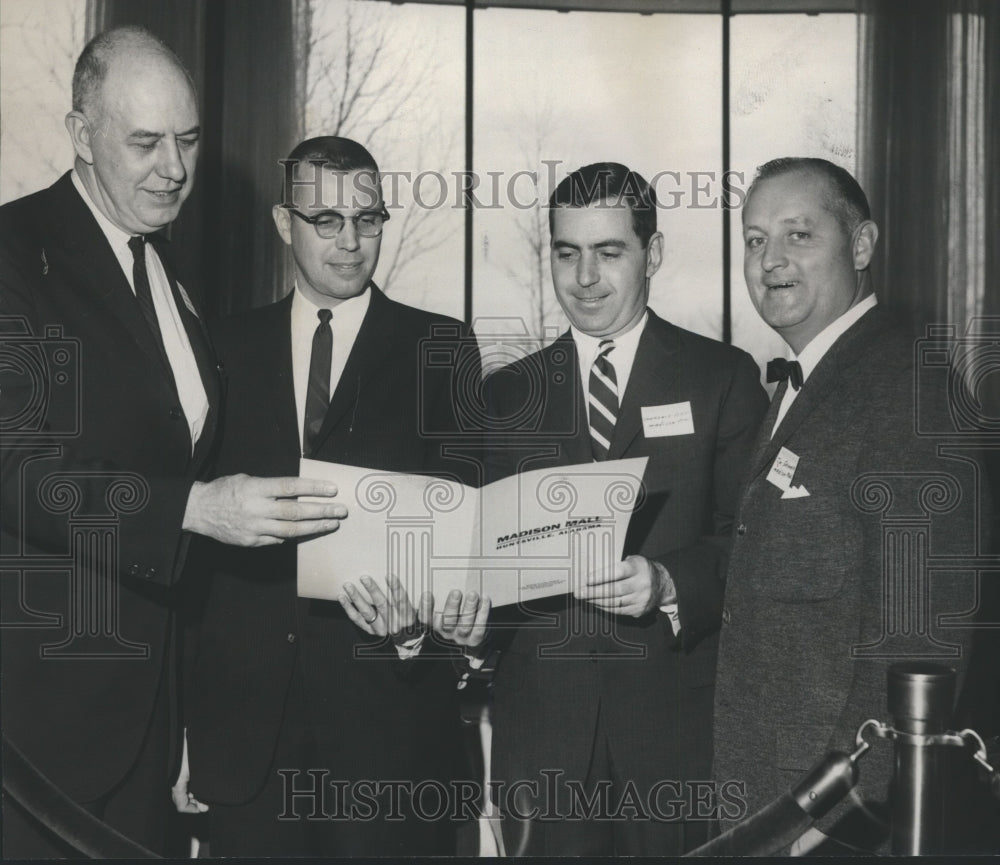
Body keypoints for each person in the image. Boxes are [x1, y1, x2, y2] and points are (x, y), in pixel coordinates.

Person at [0, 26, 346, 858]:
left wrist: (188, 723)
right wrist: (192, 506)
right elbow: (15, 469)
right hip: (40, 727)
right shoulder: (13, 253)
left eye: (188, 140)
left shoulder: (160, 269)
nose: (175, 168)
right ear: (81, 135)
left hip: (146, 724)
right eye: (145, 142)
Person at [183, 135, 487, 857]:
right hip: (245, 742)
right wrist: (187, 735)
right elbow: (193, 561)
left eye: (368, 219)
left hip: (390, 736)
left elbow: (468, 528)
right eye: (326, 221)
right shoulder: (219, 348)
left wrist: (423, 631)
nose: (351, 242)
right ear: (284, 223)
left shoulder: (439, 348)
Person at [482, 162, 768, 856]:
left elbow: (753, 545)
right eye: (566, 251)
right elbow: (478, 562)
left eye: (609, 252)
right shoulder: (503, 397)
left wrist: (670, 582)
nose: (585, 277)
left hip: (674, 735)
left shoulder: (721, 378)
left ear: (653, 253)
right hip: (542, 739)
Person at [712, 157, 983, 854]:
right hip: (768, 797)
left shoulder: (911, 388)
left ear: (861, 247)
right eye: (753, 239)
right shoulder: (807, 382)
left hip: (830, 816)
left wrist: (836, 804)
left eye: (799, 235)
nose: (770, 260)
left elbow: (921, 634)